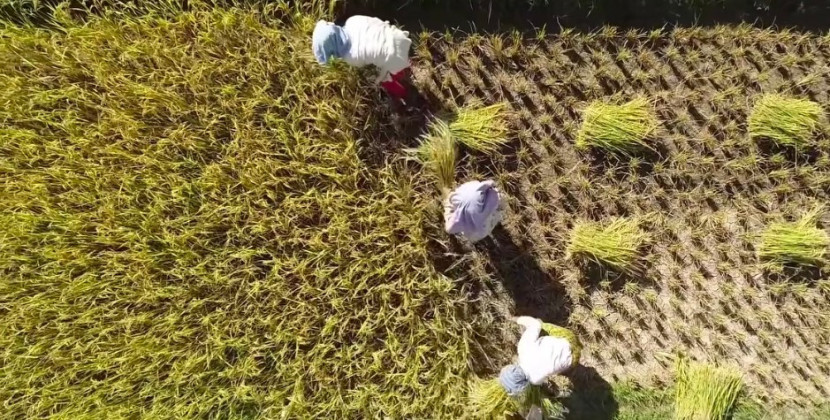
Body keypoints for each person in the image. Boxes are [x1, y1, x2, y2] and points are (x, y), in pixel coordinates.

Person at [312, 16, 416, 108]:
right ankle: (406, 70)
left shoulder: (351, 57)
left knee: (385, 81)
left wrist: (375, 83)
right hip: (398, 37)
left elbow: (373, 75)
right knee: (387, 58)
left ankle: (406, 95)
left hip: (395, 57)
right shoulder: (352, 21)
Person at [499, 316, 582, 397]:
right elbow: (535, 324)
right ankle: (579, 343)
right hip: (569, 339)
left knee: (559, 368)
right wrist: (515, 319)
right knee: (539, 323)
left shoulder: (535, 380)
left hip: (573, 359)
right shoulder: (523, 349)